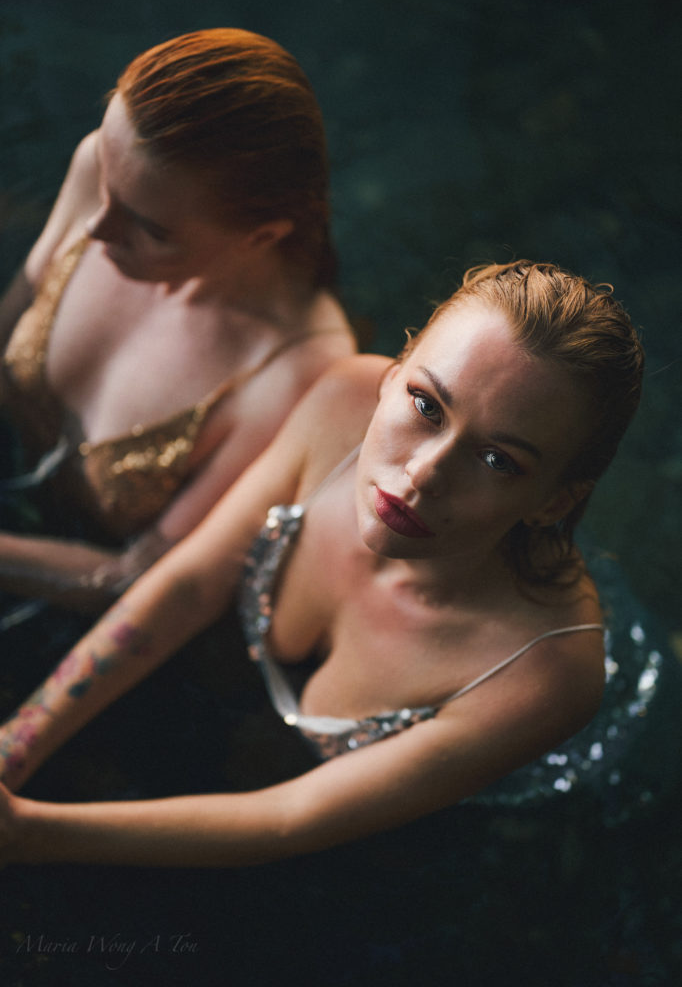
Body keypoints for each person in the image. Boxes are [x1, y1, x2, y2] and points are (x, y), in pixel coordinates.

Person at [0, 260, 645, 867]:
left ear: (554, 499)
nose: (422, 475)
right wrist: (15, 747)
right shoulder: (343, 402)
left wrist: (27, 831)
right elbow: (189, 585)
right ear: (393, 373)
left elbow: (292, 817)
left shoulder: (549, 674)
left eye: (498, 460)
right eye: (426, 405)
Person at [0, 28, 355, 612]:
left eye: (152, 230)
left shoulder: (297, 374)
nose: (96, 228)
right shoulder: (111, 169)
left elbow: (135, 579)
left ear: (260, 237)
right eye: (105, 185)